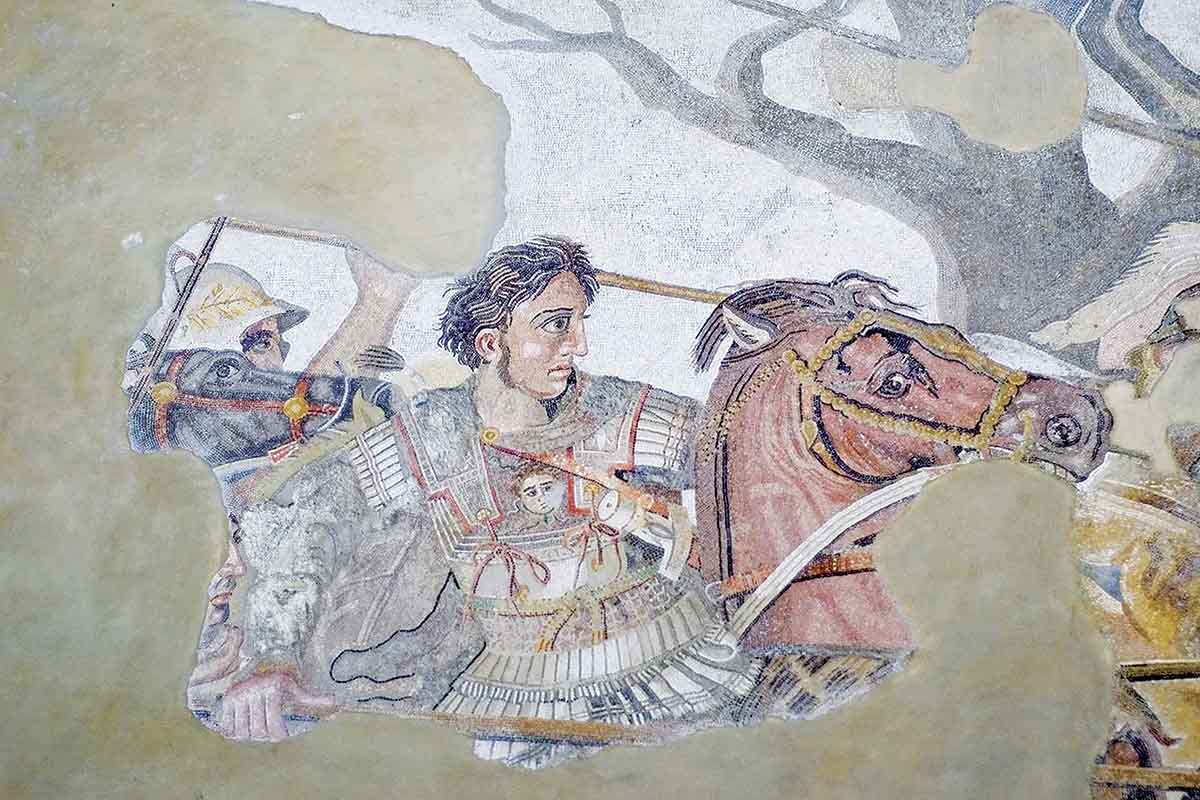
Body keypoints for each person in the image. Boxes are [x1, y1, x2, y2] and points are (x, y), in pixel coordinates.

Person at [217, 235, 760, 767]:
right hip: (504, 695)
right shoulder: (429, 433)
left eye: (579, 322)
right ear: (490, 344)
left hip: (679, 667)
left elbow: (748, 450)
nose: (579, 345)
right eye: (556, 324)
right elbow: (307, 521)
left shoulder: (619, 410)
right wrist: (273, 655)